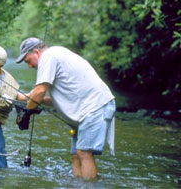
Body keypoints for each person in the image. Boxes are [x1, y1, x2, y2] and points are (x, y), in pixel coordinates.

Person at [16, 37, 115, 180]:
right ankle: (77, 185)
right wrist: (27, 98)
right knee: (76, 154)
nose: (29, 66)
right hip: (90, 108)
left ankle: (88, 186)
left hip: (96, 107)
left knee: (83, 152)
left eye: (28, 61)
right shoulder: (57, 53)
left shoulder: (48, 57)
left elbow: (39, 91)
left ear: (36, 52)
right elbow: (56, 98)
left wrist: (26, 113)